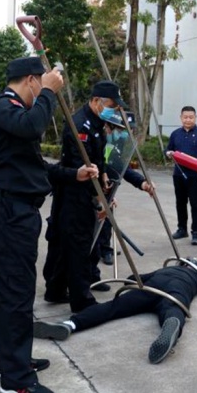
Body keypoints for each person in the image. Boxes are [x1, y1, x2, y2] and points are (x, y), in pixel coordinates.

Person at [0, 57, 98, 393]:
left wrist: (72, 174)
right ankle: (15, 379)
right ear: (31, 80)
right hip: (8, 212)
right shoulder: (2, 106)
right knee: (12, 292)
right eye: (40, 85)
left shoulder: (16, 114)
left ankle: (15, 360)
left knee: (19, 292)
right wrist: (48, 92)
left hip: (20, 212)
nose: (41, 94)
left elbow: (35, 166)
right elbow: (33, 127)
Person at [33, 258, 197, 364]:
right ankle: (171, 327)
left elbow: (134, 278)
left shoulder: (165, 269)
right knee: (174, 309)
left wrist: (133, 284)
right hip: (177, 290)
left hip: (151, 287)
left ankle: (70, 324)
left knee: (113, 307)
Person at [42, 81, 126, 313]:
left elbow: (98, 159)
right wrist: (99, 199)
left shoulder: (96, 122)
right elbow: (83, 166)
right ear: (96, 101)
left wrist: (104, 175)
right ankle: (82, 301)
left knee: (66, 243)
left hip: (82, 188)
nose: (114, 110)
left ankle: (56, 290)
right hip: (74, 192)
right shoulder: (80, 124)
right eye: (111, 105)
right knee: (78, 245)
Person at [96, 113, 155, 266]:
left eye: (125, 130)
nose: (122, 134)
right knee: (100, 219)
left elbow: (122, 168)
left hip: (108, 187)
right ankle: (102, 249)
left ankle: (104, 248)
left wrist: (142, 183)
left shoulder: (118, 144)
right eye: (119, 129)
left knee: (107, 218)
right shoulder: (97, 142)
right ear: (107, 127)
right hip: (93, 188)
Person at [165, 106, 197, 245]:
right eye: (185, 117)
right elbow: (168, 149)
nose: (188, 120)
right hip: (178, 174)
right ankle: (182, 229)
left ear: (195, 118)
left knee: (196, 204)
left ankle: (196, 232)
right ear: (181, 118)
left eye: (191, 117)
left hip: (195, 175)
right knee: (180, 203)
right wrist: (168, 153)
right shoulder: (175, 134)